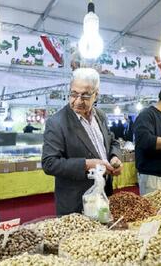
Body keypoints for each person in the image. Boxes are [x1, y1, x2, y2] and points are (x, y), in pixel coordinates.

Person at [42, 68, 123, 215]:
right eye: (73, 94)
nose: (78, 101)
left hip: (104, 196)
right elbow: (49, 163)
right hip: (76, 204)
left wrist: (114, 157)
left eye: (85, 95)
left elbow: (113, 142)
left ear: (96, 95)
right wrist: (87, 164)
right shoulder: (57, 123)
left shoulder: (101, 116)